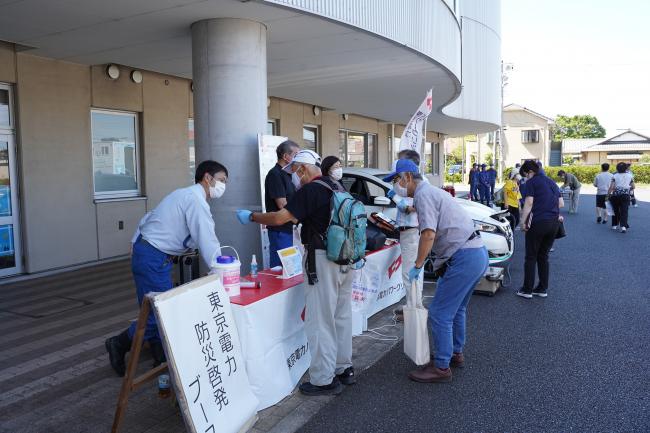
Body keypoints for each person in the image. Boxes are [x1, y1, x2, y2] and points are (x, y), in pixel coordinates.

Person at [235, 150, 356, 396]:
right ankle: (344, 368)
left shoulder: (311, 190)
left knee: (320, 320)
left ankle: (324, 380)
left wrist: (252, 217)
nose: (294, 177)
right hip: (347, 257)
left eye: (295, 171)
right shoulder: (337, 186)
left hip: (323, 259)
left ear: (303, 168)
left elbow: (281, 218)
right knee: (341, 316)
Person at [105, 161, 227, 376]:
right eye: (222, 181)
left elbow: (150, 215)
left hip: (150, 254)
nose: (223, 186)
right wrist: (221, 270)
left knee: (153, 308)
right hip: (153, 257)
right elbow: (207, 237)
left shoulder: (182, 194)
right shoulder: (195, 201)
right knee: (160, 313)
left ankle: (160, 358)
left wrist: (136, 240)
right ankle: (119, 343)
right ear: (207, 178)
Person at [384, 159, 487, 383]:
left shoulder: (423, 194)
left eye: (396, 180)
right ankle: (454, 353)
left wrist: (417, 265)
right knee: (457, 309)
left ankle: (441, 367)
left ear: (407, 177)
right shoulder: (430, 192)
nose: (396, 186)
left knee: (440, 313)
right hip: (476, 253)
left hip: (463, 257)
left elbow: (428, 234)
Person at [384, 151, 425, 321]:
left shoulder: (420, 184)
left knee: (410, 272)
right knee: (413, 271)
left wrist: (399, 203)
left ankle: (413, 309)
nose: (398, 181)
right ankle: (414, 305)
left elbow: (416, 205)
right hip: (408, 230)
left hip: (412, 230)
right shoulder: (408, 182)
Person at [517, 160, 564, 299]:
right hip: (554, 223)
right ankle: (542, 288)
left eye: (525, 175)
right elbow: (560, 203)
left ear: (529, 172)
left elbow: (529, 202)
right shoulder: (551, 182)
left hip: (538, 222)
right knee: (543, 256)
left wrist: (522, 221)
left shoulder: (532, 182)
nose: (525, 178)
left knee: (531, 256)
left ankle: (527, 290)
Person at [264, 140, 300, 268]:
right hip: (280, 229)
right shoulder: (275, 174)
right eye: (296, 155)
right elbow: (281, 204)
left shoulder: (288, 174)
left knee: (289, 266)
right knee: (280, 266)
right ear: (286, 156)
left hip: (289, 228)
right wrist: (297, 219)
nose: (298, 159)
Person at [608, 162, 635, 233]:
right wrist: (627, 187)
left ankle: (614, 225)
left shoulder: (615, 176)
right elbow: (633, 186)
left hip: (616, 195)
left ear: (617, 168)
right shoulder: (629, 176)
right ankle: (623, 227)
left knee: (615, 210)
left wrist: (608, 194)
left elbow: (612, 187)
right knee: (624, 211)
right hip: (625, 195)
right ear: (626, 168)